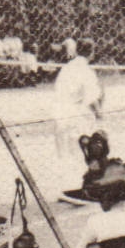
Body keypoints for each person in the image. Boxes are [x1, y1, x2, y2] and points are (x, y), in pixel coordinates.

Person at [53, 38, 104, 178]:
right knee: (79, 153)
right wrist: (99, 114)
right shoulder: (86, 70)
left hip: (60, 112)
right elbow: (91, 98)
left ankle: (65, 180)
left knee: (63, 153)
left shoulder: (66, 68)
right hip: (76, 114)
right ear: (92, 52)